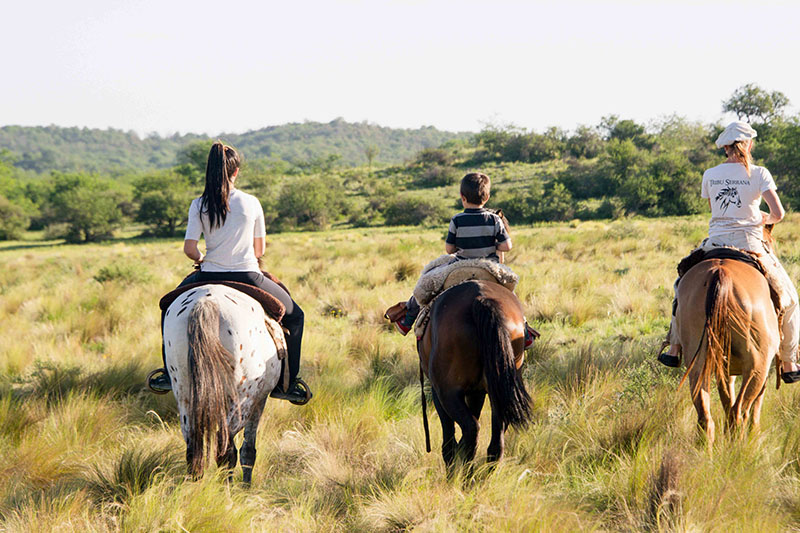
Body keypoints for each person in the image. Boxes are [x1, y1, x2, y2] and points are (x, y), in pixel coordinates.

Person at [148, 142, 310, 402]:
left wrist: (203, 259)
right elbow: (259, 250)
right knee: (296, 317)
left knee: (169, 307)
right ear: (235, 172)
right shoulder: (252, 202)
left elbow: (190, 249)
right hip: (247, 274)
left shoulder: (199, 204)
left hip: (207, 274)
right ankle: (288, 384)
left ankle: (169, 373)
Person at [659, 121, 800, 383]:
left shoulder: (710, 174)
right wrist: (762, 218)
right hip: (751, 244)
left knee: (681, 288)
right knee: (790, 298)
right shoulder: (759, 173)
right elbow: (778, 215)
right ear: (748, 144)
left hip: (715, 243)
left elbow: (715, 209)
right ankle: (790, 361)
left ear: (725, 147)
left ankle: (675, 347)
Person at [391, 172, 514, 333]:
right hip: (489, 269)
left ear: (462, 197)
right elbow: (507, 246)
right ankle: (524, 330)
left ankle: (408, 319)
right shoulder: (495, 220)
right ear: (487, 197)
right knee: (511, 296)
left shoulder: (457, 220)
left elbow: (449, 250)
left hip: (460, 266)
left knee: (426, 281)